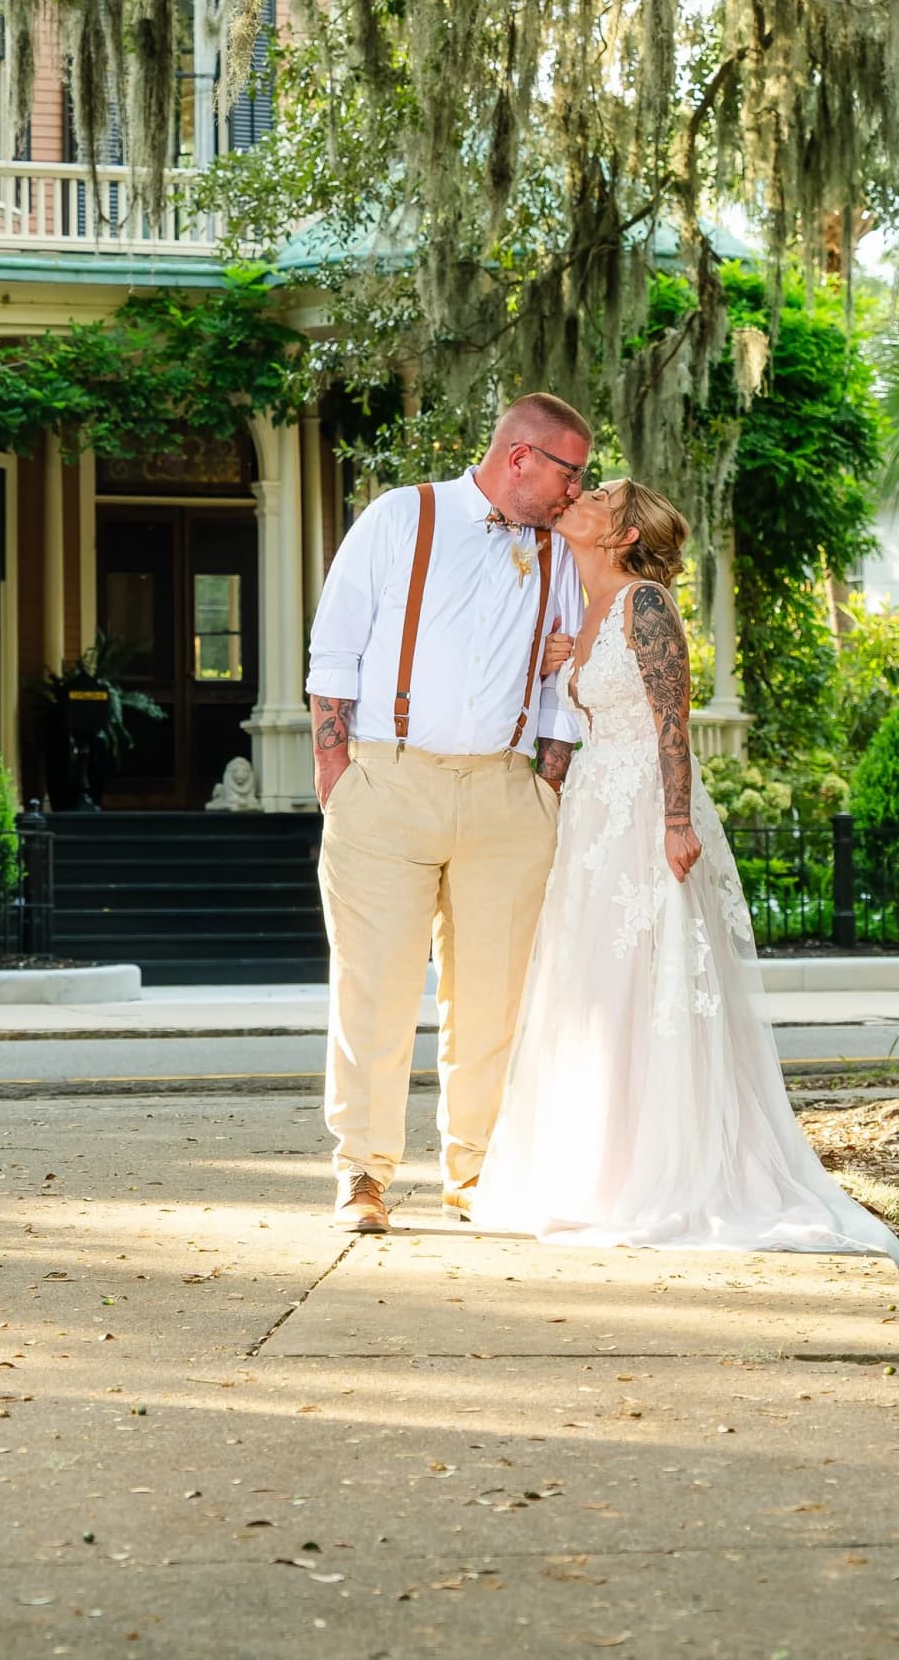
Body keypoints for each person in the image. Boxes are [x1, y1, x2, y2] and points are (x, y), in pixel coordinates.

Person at [473, 478, 899, 1261]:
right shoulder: (588, 606)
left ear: (622, 532)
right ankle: (602, 1167)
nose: (580, 494)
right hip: (595, 814)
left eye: (597, 494)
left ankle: (668, 1170)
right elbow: (597, 706)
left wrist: (676, 820)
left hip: (644, 810)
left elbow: (674, 718)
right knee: (599, 985)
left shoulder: (646, 603)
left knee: (650, 980)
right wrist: (565, 666)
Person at [305, 394, 591, 1233]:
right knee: (374, 989)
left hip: (507, 795)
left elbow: (563, 685)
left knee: (494, 999)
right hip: (387, 786)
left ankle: (479, 1174)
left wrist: (548, 783)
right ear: (520, 458)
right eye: (570, 474)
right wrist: (338, 775)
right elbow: (334, 649)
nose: (577, 491)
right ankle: (362, 1173)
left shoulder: (561, 553)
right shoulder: (402, 517)